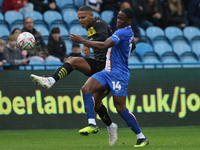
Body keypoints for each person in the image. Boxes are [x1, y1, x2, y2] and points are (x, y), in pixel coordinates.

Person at [30, 6, 118, 146]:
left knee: (96, 102)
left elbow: (103, 39)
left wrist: (84, 42)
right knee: (72, 60)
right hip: (99, 65)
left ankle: (111, 126)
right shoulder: (90, 27)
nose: (80, 20)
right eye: (78, 18)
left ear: (91, 16)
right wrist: (87, 46)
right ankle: (50, 80)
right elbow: (97, 40)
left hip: (110, 69)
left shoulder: (99, 23)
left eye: (83, 17)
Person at [69, 8, 149, 147]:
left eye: (122, 19)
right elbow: (132, 46)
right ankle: (92, 123)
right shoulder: (127, 32)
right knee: (86, 89)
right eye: (118, 17)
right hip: (107, 71)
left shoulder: (123, 32)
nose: (118, 20)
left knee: (120, 107)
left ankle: (141, 137)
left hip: (119, 74)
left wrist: (83, 41)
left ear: (129, 21)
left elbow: (105, 45)